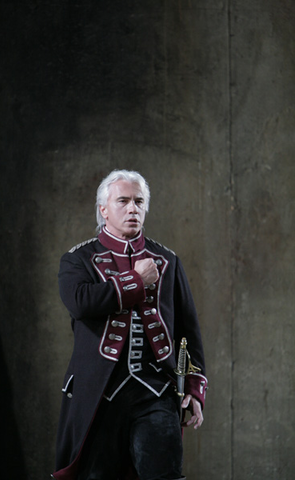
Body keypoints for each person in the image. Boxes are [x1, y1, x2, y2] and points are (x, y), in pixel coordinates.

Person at [51, 169, 208, 480]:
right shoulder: (78, 259)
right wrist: (137, 280)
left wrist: (194, 385)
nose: (133, 208)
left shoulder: (168, 260)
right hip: (98, 393)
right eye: (123, 201)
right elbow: (81, 302)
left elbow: (188, 329)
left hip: (156, 390)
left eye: (139, 201)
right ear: (104, 210)